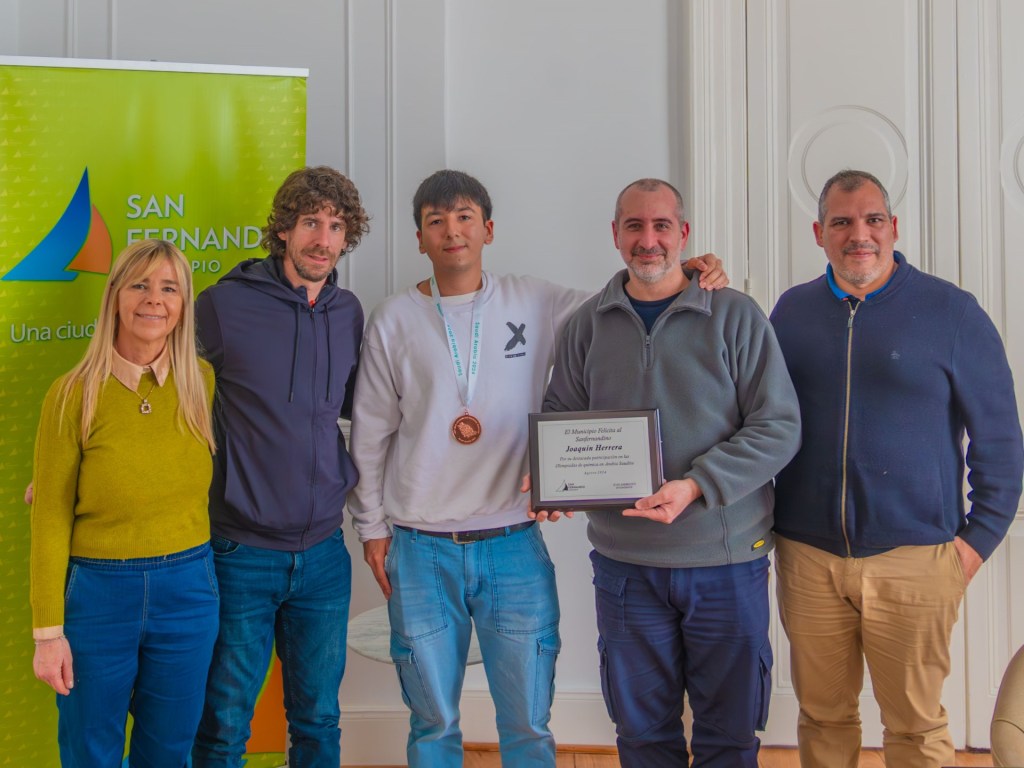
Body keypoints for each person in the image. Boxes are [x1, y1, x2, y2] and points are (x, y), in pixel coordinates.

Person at [347, 169, 728, 766]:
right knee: (432, 722)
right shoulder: (392, 319)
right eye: (436, 220)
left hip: (512, 542)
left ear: (489, 230)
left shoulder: (536, 301)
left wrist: (690, 270)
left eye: (466, 217)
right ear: (419, 237)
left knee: (527, 721)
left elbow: (631, 300)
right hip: (420, 546)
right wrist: (371, 528)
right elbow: (370, 434)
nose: (453, 231)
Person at [540, 178, 801, 767]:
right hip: (626, 569)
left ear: (684, 234)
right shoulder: (585, 326)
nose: (648, 239)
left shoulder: (735, 315)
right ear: (615, 235)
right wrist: (554, 480)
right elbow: (561, 417)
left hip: (726, 561)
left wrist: (697, 484)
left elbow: (779, 426)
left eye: (662, 226)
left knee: (729, 737)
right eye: (634, 226)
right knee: (642, 736)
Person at [770, 169, 1024, 768]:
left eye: (873, 220)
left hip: (917, 560)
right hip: (807, 556)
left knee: (913, 727)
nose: (860, 234)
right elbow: (756, 413)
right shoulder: (791, 312)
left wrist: (971, 546)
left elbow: (1002, 443)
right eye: (842, 222)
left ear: (893, 227)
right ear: (819, 233)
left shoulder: (953, 313)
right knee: (823, 718)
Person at [191, 166, 369, 767]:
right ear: (284, 230)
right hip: (240, 553)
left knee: (318, 721)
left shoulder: (348, 312)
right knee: (223, 724)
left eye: (336, 225)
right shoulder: (222, 306)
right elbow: (147, 373)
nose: (323, 237)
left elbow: (365, 412)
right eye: (311, 222)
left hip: (323, 554)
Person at [30, 239, 218, 766]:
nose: (153, 299)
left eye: (168, 288)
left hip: (188, 590)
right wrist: (48, 634)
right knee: (91, 751)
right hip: (96, 596)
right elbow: (48, 519)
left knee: (169, 752)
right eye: (139, 284)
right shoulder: (71, 395)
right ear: (114, 296)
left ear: (183, 306)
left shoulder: (201, 383)